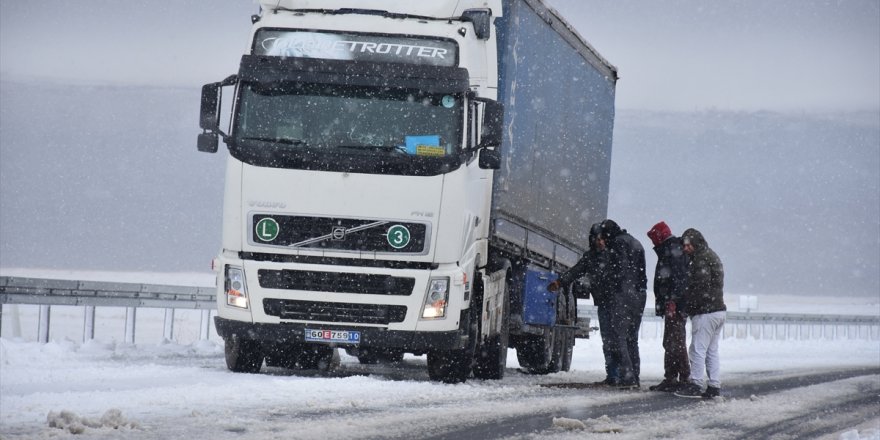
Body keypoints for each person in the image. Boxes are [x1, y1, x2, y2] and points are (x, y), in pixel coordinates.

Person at [548, 223, 619, 385]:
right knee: (607, 340)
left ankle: (622, 373)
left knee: (617, 340)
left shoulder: (613, 256)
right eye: (597, 239)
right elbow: (575, 271)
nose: (600, 242)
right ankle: (612, 374)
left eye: (602, 239)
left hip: (616, 304)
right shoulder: (590, 257)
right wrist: (560, 282)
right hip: (603, 304)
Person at [674, 228, 727, 399]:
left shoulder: (700, 260)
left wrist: (688, 305)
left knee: (697, 348)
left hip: (706, 312)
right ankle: (713, 386)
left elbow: (699, 287)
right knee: (711, 350)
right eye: (684, 245)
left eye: (688, 245)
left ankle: (695, 384)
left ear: (696, 243)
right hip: (718, 310)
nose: (686, 248)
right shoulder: (711, 255)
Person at [597, 219, 647, 389]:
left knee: (619, 337)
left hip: (623, 294)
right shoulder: (637, 242)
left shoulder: (617, 243)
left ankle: (628, 377)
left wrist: (612, 288)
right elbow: (640, 274)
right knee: (632, 337)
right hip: (639, 295)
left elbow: (619, 270)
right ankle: (635, 375)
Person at [646, 221, 690, 392]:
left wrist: (672, 301)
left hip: (676, 306)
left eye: (653, 237)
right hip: (675, 305)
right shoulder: (672, 249)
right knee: (672, 341)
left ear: (660, 236)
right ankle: (674, 377)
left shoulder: (672, 251)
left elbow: (679, 279)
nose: (653, 242)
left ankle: (680, 378)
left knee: (675, 341)